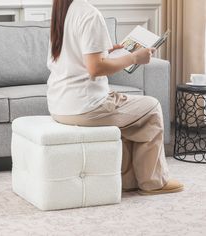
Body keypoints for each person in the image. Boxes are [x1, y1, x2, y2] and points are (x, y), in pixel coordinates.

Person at [47, 0, 184, 195]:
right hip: (85, 106)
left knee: (131, 113)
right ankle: (153, 182)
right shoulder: (89, 13)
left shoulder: (62, 12)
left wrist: (106, 50)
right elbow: (96, 68)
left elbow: (76, 58)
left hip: (60, 105)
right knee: (151, 108)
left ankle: (128, 179)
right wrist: (135, 57)